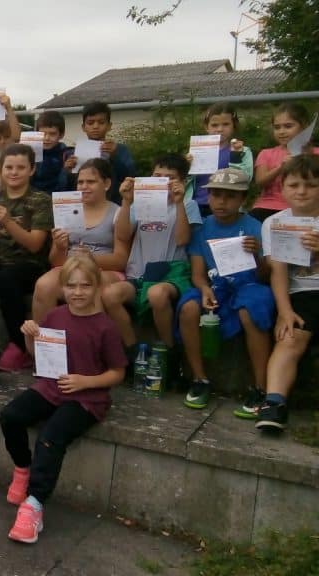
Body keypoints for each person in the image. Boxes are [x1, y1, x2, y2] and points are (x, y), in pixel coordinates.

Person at [0, 255, 127, 544]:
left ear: (97, 287)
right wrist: (31, 336)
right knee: (10, 416)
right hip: (51, 387)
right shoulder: (55, 316)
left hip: (87, 398)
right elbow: (38, 355)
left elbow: (117, 372)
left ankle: (34, 504)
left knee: (50, 436)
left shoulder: (105, 326)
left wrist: (87, 381)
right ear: (62, 287)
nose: (78, 292)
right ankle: (23, 467)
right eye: (71, 286)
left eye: (85, 285)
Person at [177, 168, 273, 414]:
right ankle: (199, 379)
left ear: (243, 200)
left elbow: (266, 276)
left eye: (230, 196)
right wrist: (204, 289)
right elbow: (198, 273)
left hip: (250, 285)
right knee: (188, 308)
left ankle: (260, 387)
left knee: (251, 310)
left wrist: (256, 255)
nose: (221, 202)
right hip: (216, 285)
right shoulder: (203, 228)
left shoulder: (255, 227)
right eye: (216, 195)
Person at [101, 154, 200, 370]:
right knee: (109, 295)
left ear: (181, 182)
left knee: (156, 294)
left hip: (172, 274)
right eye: (157, 176)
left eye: (169, 177)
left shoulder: (189, 205)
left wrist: (180, 202)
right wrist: (127, 201)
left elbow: (183, 239)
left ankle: (170, 352)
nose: (162, 181)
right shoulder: (139, 204)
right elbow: (123, 235)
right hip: (139, 273)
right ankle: (133, 351)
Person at [257, 154, 319, 432]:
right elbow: (278, 270)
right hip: (301, 294)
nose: (302, 191)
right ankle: (274, 403)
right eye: (294, 185)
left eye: (311, 185)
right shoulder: (274, 223)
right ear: (282, 189)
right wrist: (284, 311)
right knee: (290, 337)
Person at [0, 144, 52, 371]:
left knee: (7, 278)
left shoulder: (40, 200)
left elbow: (35, 245)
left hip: (30, 265)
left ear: (31, 170)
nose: (14, 172)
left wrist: (8, 221)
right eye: (9, 167)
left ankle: (20, 346)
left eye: (20, 167)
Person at [31, 159, 129, 323]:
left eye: (91, 182)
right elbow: (55, 261)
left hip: (104, 270)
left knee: (90, 284)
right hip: (70, 267)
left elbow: (121, 260)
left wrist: (89, 259)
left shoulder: (118, 213)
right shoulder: (67, 210)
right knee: (44, 285)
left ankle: (93, 343)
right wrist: (61, 248)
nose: (84, 187)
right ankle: (45, 344)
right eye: (80, 182)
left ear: (106, 184)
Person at [185, 103, 253, 218]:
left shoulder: (242, 151)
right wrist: (186, 168)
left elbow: (245, 178)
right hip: (196, 205)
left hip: (226, 206)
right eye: (214, 125)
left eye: (226, 124)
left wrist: (235, 156)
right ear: (207, 127)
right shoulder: (197, 151)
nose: (220, 129)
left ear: (234, 126)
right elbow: (186, 182)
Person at [252, 103, 317, 222]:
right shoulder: (266, 153)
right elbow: (260, 182)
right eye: (277, 127)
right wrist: (280, 167)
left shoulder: (316, 153)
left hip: (308, 208)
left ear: (304, 126)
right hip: (268, 207)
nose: (281, 131)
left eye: (288, 126)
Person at [79, 102, 135, 204]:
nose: (95, 126)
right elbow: (70, 183)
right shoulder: (75, 153)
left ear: (109, 126)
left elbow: (129, 176)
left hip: (115, 204)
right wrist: (67, 171)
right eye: (90, 123)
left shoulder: (120, 150)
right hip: (85, 205)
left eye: (101, 122)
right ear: (83, 127)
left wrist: (114, 156)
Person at [32, 111, 72, 194]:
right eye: (42, 133)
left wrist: (66, 170)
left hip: (58, 200)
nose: (47, 138)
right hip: (33, 200)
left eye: (52, 134)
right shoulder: (30, 152)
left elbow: (65, 185)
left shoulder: (67, 155)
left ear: (61, 134)